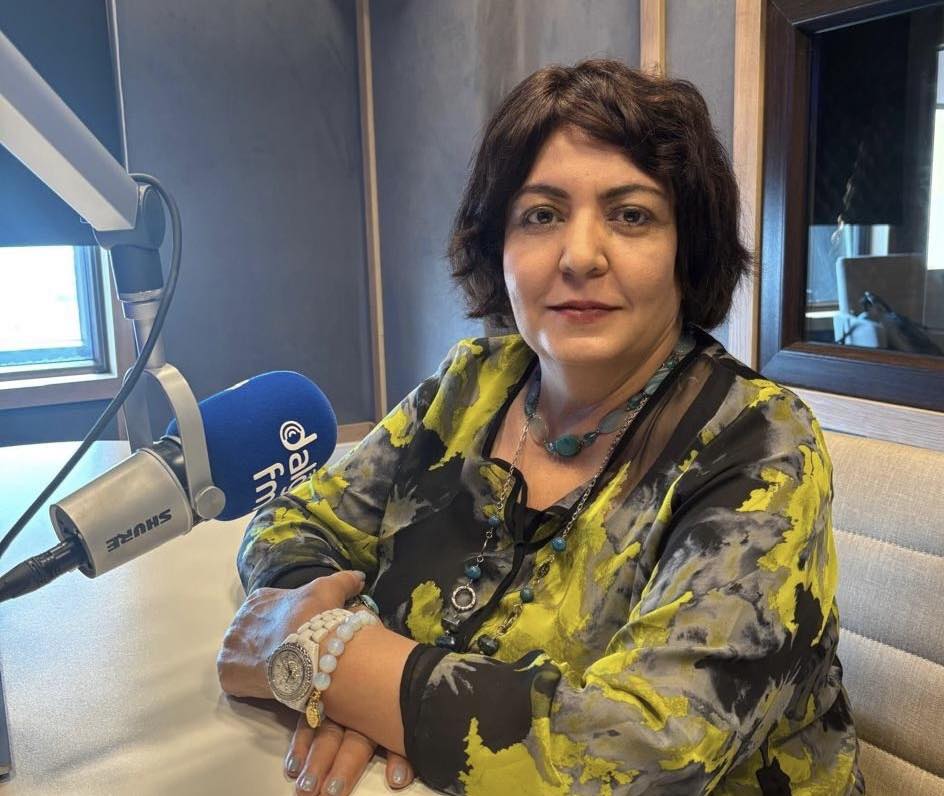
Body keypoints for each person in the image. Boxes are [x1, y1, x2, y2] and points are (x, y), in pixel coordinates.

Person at [216, 58, 865, 795]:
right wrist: (336, 633)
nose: (579, 256)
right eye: (541, 215)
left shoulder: (761, 443)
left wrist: (329, 665)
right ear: (498, 243)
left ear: (688, 250)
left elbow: (648, 753)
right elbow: (296, 522)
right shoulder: (471, 383)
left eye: (631, 215)